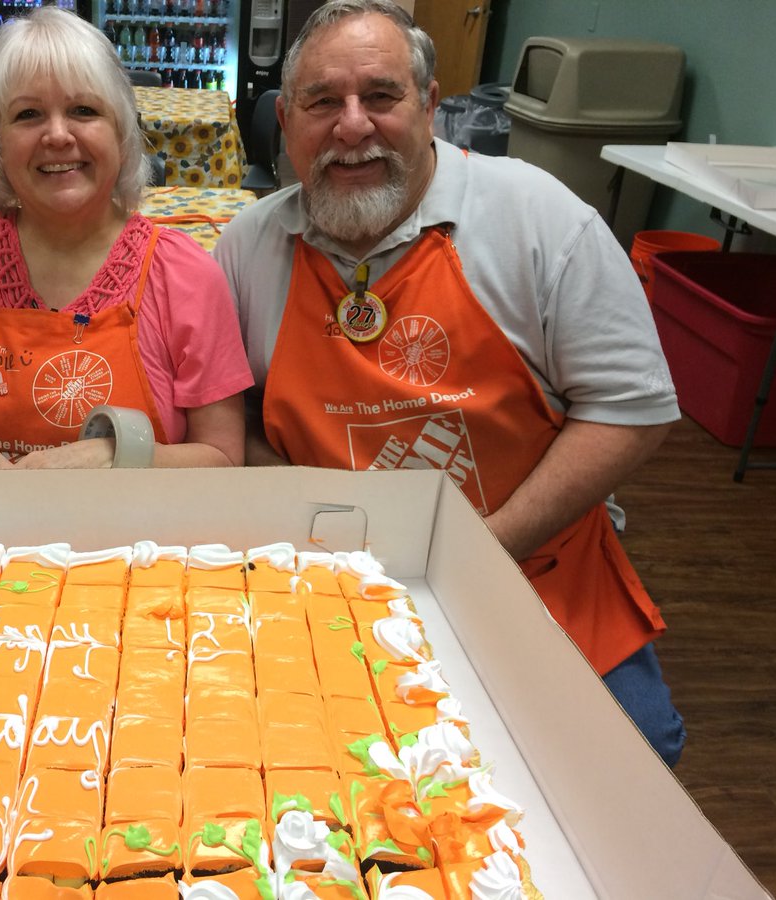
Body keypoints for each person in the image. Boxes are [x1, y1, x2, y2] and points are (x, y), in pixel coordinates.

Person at [213, 0, 686, 765]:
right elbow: (226, 423)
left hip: (532, 572)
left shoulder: (541, 220)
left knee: (629, 760)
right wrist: (330, 537)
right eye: (323, 101)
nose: (353, 125)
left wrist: (481, 551)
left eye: (383, 95)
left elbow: (630, 411)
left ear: (431, 106)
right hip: (323, 580)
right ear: (284, 122)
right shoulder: (245, 248)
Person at [0, 7, 252, 472]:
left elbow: (223, 459)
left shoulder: (186, 277)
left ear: (121, 133)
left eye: (84, 111)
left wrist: (120, 458)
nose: (58, 135)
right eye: (28, 114)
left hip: (128, 539)